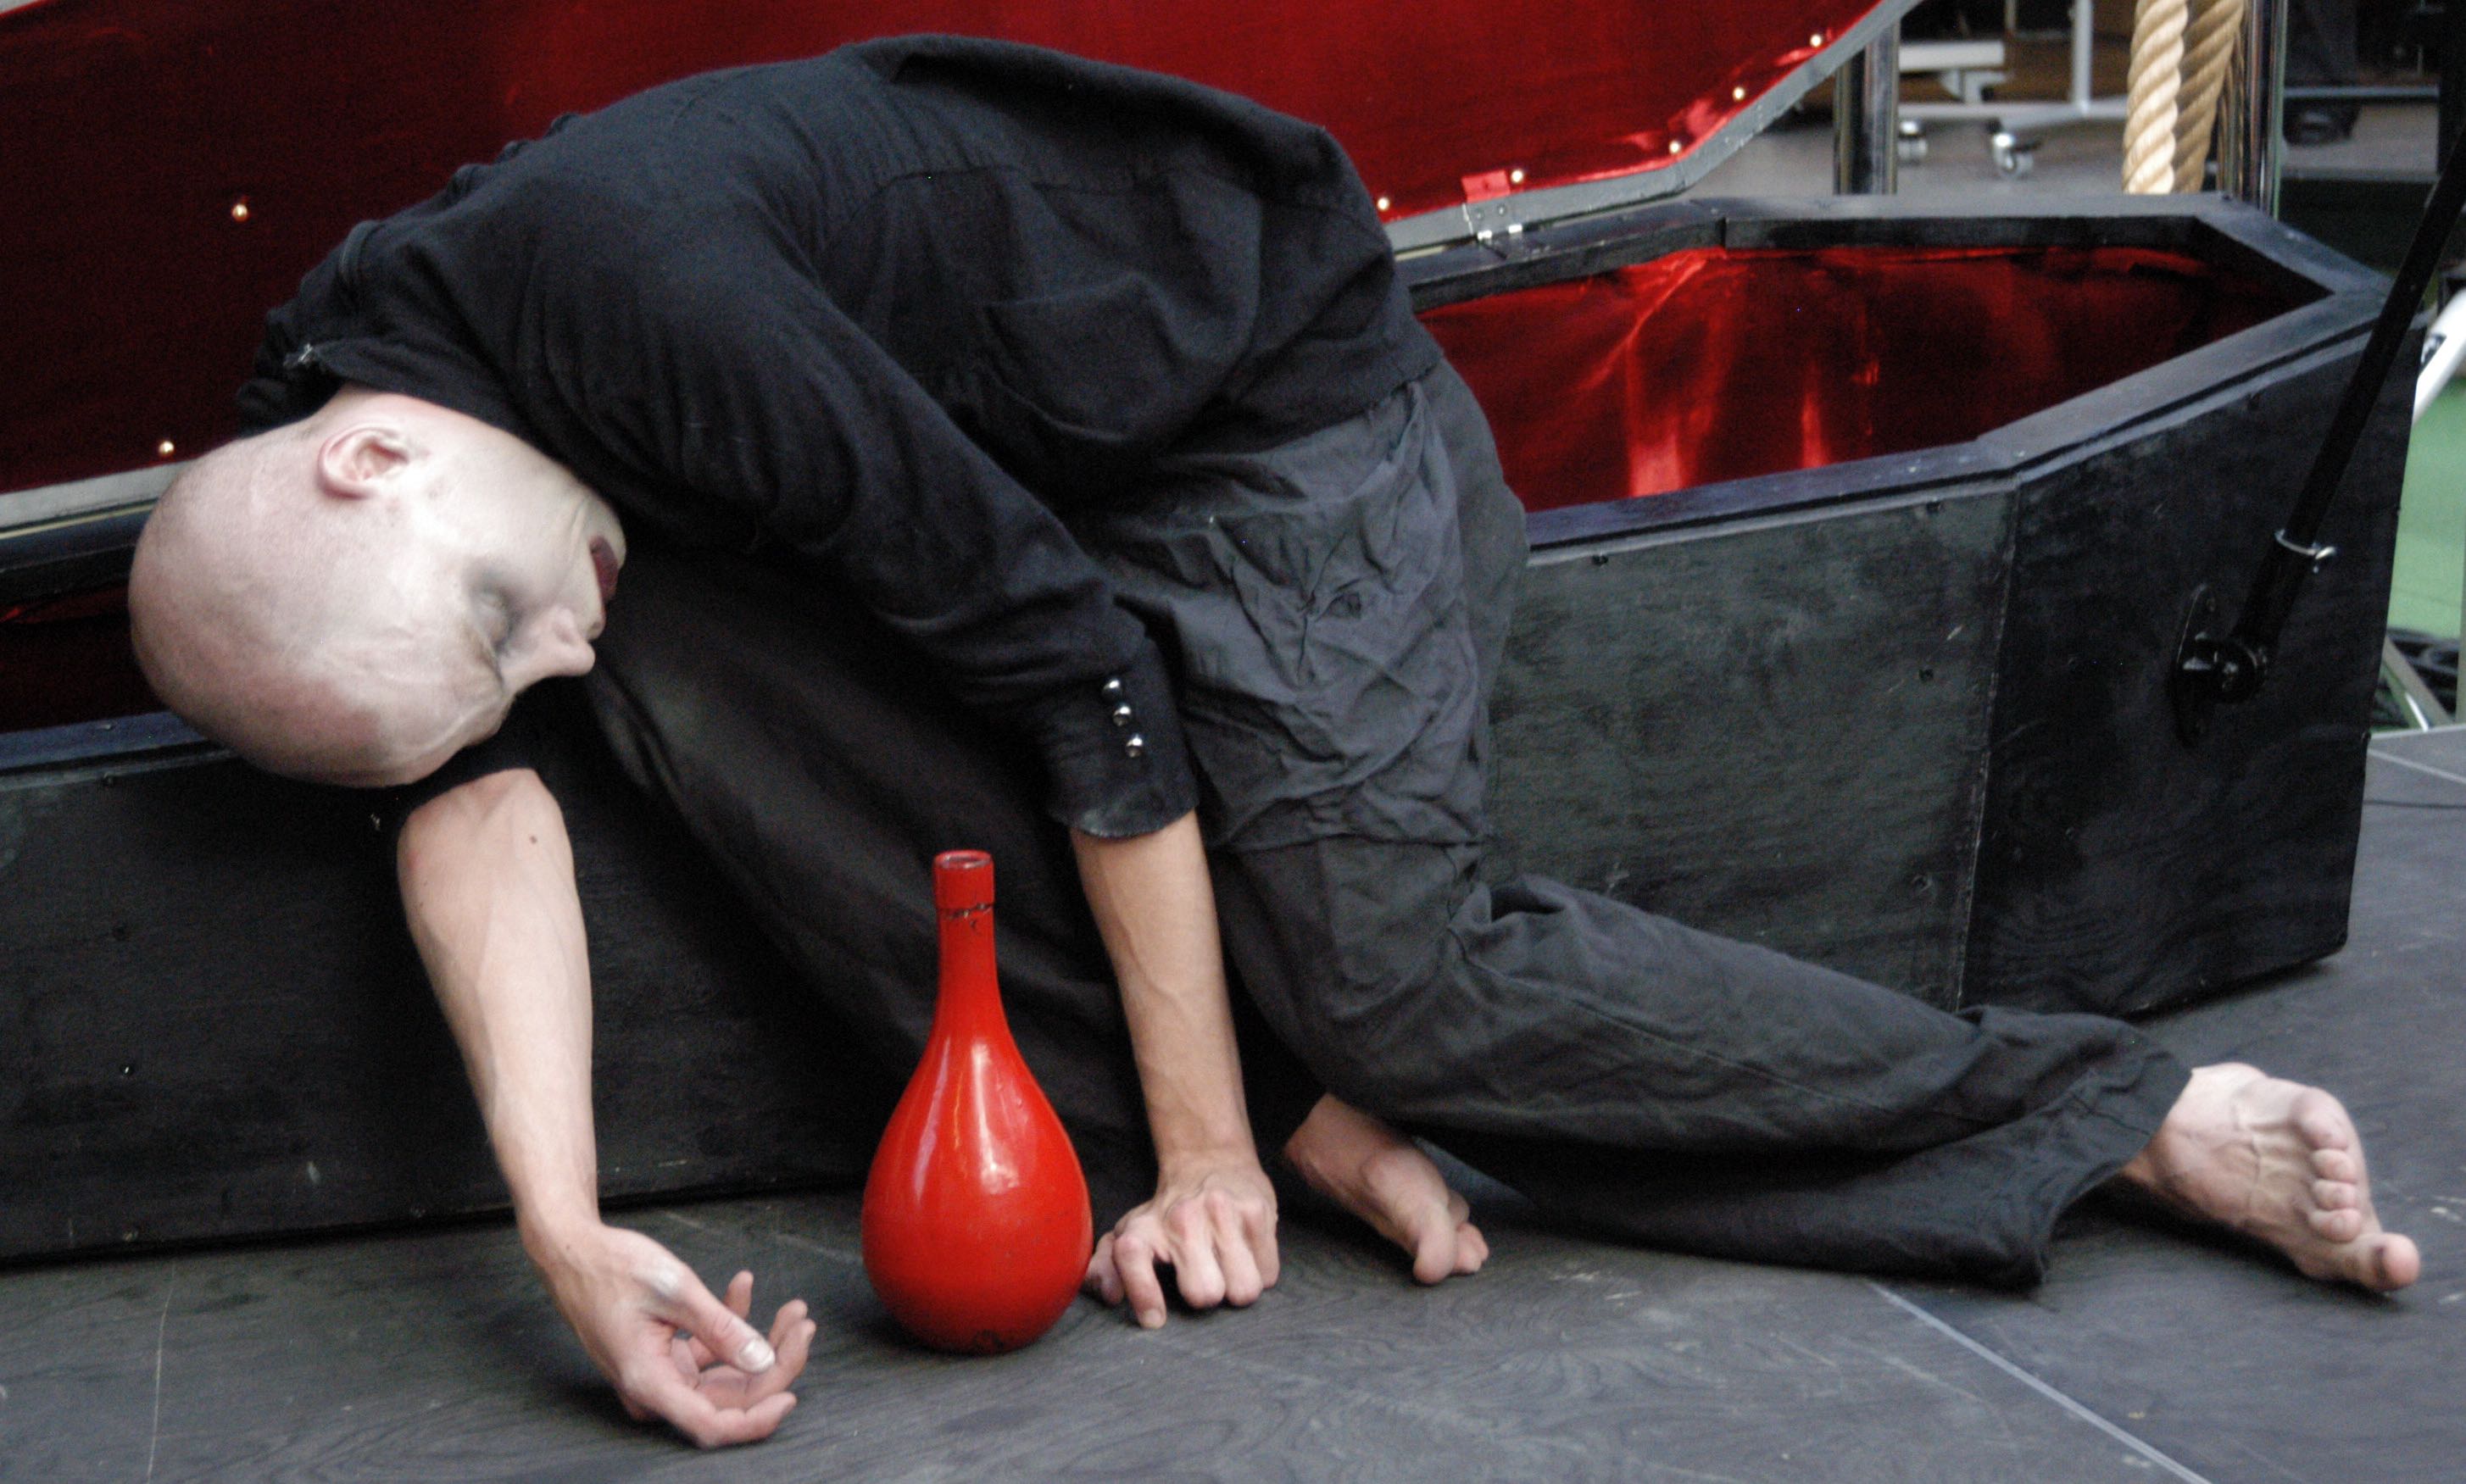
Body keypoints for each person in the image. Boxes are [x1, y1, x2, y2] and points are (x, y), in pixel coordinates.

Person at [126, 37, 2419, 1451]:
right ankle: (1315, 1108)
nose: (549, 654)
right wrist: (562, 1230)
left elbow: (1083, 684)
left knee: (1393, 975)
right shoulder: (332, 415)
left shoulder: (644, 305)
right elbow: (474, 797)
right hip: (1010, 498)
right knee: (655, 665)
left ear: (377, 466)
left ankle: (2113, 1116)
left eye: (501, 623)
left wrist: (1211, 1150)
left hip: (1265, 434)